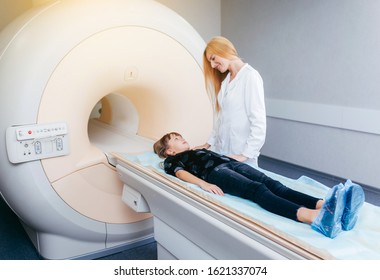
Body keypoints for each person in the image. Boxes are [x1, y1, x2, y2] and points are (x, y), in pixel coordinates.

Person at [153, 132, 365, 238]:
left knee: (274, 184)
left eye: (180, 136)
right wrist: (203, 183)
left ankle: (326, 205)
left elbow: (216, 149)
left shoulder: (197, 149)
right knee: (257, 190)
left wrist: (235, 156)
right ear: (169, 151)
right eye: (175, 138)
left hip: (230, 163)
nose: (181, 138)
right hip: (215, 173)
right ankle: (313, 217)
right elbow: (180, 174)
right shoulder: (172, 161)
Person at [195, 36, 266, 166]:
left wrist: (245, 155)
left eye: (213, 58)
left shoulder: (250, 76)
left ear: (224, 50)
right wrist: (208, 144)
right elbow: (220, 118)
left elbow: (258, 122)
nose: (212, 65)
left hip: (240, 155)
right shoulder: (226, 81)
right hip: (223, 151)